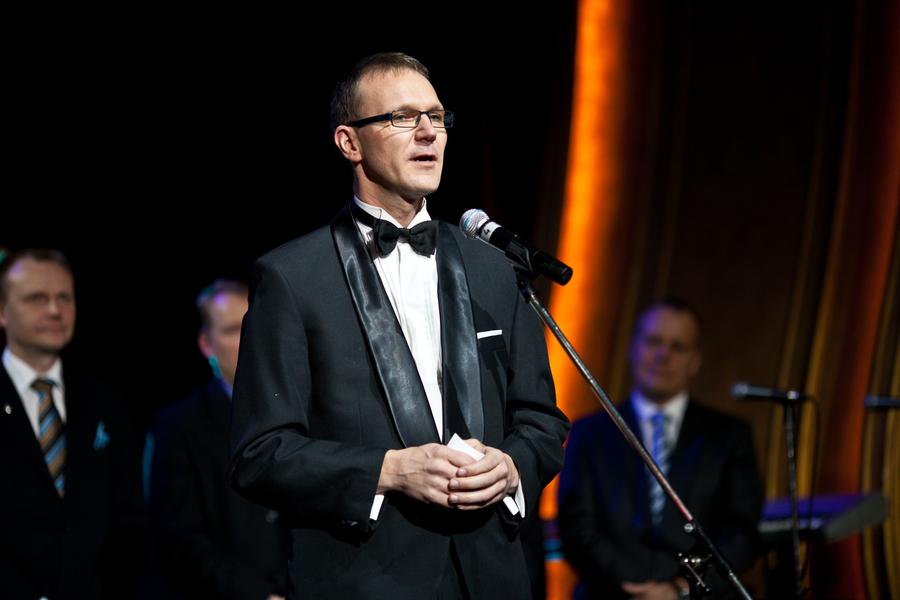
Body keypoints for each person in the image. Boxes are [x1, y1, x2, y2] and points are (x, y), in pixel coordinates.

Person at [228, 52, 569, 599]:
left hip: (492, 578)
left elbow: (541, 421)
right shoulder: (292, 277)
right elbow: (260, 454)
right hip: (367, 579)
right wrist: (388, 470)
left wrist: (511, 467)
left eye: (436, 117)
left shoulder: (494, 268)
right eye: (402, 117)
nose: (428, 132)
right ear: (350, 142)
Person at [558, 299, 763, 599]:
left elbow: (741, 534)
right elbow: (576, 528)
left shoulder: (730, 436)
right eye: (653, 341)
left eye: (677, 347)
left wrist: (679, 589)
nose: (663, 355)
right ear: (632, 348)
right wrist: (637, 589)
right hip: (610, 594)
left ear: (695, 360)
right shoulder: (589, 432)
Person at [0, 248, 146, 599]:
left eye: (64, 297)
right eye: (37, 298)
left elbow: (130, 524)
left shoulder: (106, 404)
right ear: (2, 311)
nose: (55, 310)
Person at [148, 279, 290, 599]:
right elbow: (181, 538)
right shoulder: (179, 427)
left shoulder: (298, 407)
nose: (249, 339)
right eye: (232, 330)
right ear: (206, 344)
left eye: (253, 325)